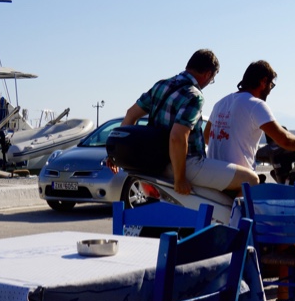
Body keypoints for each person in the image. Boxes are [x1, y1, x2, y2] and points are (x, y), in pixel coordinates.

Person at [110, 49, 259, 195]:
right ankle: (234, 213)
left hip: (155, 162)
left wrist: (117, 155)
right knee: (251, 179)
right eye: (212, 79)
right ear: (208, 74)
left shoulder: (161, 85)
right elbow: (177, 137)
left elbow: (130, 115)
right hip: (186, 164)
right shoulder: (194, 95)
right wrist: (179, 179)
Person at [205, 60, 295, 171]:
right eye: (271, 85)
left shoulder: (220, 103)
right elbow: (285, 139)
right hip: (238, 176)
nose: (270, 91)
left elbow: (206, 137)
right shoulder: (256, 105)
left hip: (213, 173)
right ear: (264, 82)